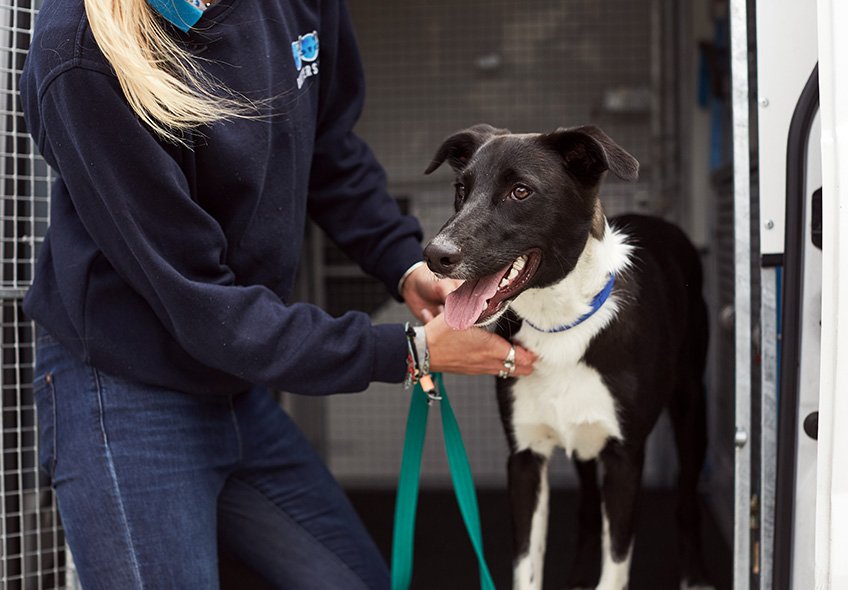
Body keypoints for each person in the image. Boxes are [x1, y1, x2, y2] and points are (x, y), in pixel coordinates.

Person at [20, 0, 535, 588]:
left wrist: (406, 262)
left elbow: (329, 152)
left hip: (236, 387)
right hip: (125, 389)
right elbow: (205, 308)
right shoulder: (81, 54)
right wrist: (411, 353)